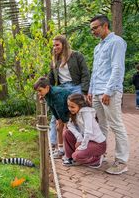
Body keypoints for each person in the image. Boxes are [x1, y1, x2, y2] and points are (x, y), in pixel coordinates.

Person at [88, 15, 129, 174]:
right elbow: (95, 71)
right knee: (101, 126)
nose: (93, 32)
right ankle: (100, 155)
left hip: (109, 92)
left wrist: (108, 91)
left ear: (105, 26)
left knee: (116, 125)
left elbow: (117, 69)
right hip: (97, 91)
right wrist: (91, 90)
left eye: (95, 28)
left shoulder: (117, 42)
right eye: (91, 29)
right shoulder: (97, 48)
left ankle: (121, 161)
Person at [48, 35, 90, 158]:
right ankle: (53, 145)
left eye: (57, 45)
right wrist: (45, 91)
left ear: (64, 45)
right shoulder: (54, 60)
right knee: (55, 116)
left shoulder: (76, 56)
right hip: (62, 88)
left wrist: (84, 91)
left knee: (77, 115)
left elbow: (85, 73)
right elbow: (50, 78)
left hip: (76, 86)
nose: (55, 47)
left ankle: (81, 144)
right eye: (53, 45)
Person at [62, 93, 106, 168]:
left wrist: (82, 146)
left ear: (80, 105)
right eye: (68, 106)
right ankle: (70, 158)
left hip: (98, 144)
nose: (70, 108)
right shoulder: (76, 112)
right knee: (67, 133)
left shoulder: (87, 113)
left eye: (72, 106)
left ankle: (96, 160)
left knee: (77, 156)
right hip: (87, 140)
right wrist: (79, 138)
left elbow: (88, 131)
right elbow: (69, 125)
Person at [34, 77, 72, 148]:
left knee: (65, 129)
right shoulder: (46, 94)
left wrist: (64, 122)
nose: (39, 93)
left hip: (70, 109)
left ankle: (66, 149)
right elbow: (52, 108)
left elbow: (60, 109)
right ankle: (60, 148)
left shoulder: (56, 94)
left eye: (40, 90)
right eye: (37, 92)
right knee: (58, 127)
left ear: (47, 88)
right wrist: (58, 119)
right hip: (62, 109)